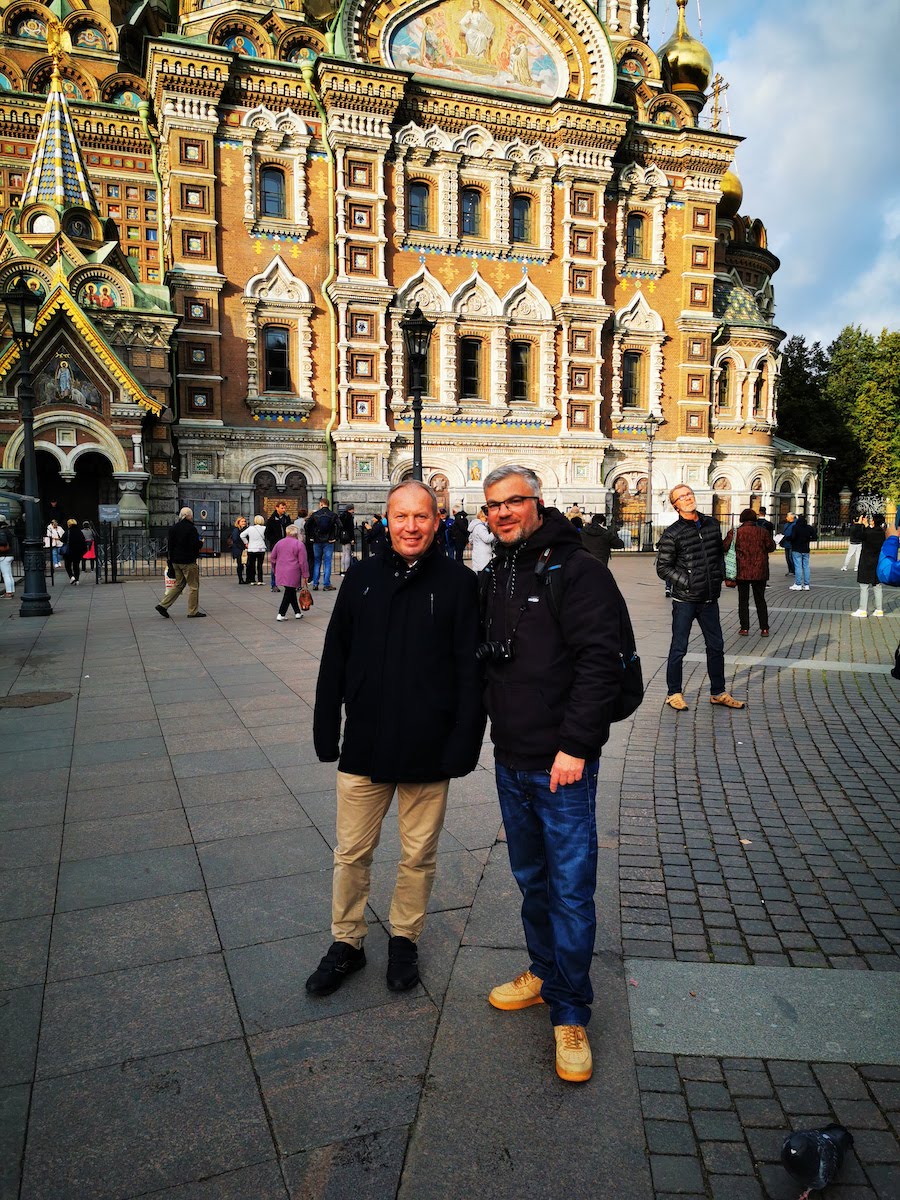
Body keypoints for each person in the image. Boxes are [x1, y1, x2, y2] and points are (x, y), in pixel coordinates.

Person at [479, 465, 627, 1084]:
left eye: (514, 502)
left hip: (561, 765)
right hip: (511, 760)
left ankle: (571, 1011)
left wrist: (576, 745)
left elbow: (601, 661)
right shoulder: (495, 574)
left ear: (538, 503)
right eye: (493, 506)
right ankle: (544, 972)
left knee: (569, 889)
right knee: (531, 878)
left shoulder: (580, 570)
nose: (504, 513)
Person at [308, 480, 485, 998]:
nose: (411, 526)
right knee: (351, 852)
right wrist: (327, 727)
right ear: (386, 520)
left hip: (429, 745)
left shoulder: (458, 582)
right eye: (401, 516)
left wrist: (464, 744)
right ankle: (347, 942)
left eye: (421, 517)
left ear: (437, 521)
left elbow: (469, 674)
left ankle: (404, 938)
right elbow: (335, 656)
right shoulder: (361, 577)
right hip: (364, 741)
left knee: (418, 855)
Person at [656, 485, 745, 712]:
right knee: (679, 648)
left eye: (689, 494)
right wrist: (688, 582)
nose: (687, 498)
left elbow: (717, 556)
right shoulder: (672, 533)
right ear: (676, 505)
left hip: (709, 599)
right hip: (685, 601)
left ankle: (718, 692)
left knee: (716, 646)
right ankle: (673, 693)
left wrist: (722, 576)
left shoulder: (711, 525)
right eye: (681, 497)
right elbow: (663, 568)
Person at [723, 509, 776, 635]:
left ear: (742, 518)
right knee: (760, 600)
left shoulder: (735, 532)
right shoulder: (762, 531)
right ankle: (764, 628)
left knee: (743, 600)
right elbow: (771, 547)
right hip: (760, 571)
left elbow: (724, 546)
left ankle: (744, 628)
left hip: (742, 571)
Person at [155, 507, 205, 617]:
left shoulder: (173, 528)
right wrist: (201, 543)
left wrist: (171, 560)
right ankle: (193, 611)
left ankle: (163, 605)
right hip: (188, 562)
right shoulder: (191, 529)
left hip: (175, 561)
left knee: (179, 584)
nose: (192, 517)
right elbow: (194, 545)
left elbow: (170, 546)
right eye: (191, 515)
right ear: (188, 516)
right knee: (193, 586)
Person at [270, 524, 310, 620]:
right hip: (293, 571)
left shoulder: (279, 543)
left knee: (290, 591)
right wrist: (305, 574)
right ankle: (281, 613)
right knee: (289, 592)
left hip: (280, 570)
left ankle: (297, 612)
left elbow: (272, 557)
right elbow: (303, 562)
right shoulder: (299, 544)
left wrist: (274, 569)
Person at [853, 515, 887, 617]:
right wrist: (867, 526)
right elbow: (870, 533)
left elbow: (857, 536)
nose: (870, 520)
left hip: (866, 561)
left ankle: (863, 609)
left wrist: (859, 524)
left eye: (872, 519)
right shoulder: (882, 533)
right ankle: (879, 609)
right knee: (877, 585)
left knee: (864, 585)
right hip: (878, 561)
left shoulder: (868, 532)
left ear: (874, 521)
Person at [306, 497, 340, 590]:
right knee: (327, 562)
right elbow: (340, 526)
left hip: (317, 541)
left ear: (321, 504)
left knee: (317, 562)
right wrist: (335, 537)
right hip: (329, 541)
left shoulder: (315, 514)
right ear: (328, 504)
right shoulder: (333, 514)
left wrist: (311, 537)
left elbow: (307, 525)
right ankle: (326, 584)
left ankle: (315, 583)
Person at [264, 501, 290, 592]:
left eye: (284, 508)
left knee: (288, 564)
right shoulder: (271, 520)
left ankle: (288, 583)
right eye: (282, 508)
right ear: (277, 508)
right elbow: (267, 534)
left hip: (287, 545)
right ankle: (274, 584)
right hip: (276, 545)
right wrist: (275, 540)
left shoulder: (286, 518)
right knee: (275, 565)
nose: (284, 510)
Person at [787, 514, 816, 590]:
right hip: (806, 549)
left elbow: (792, 537)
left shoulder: (795, 527)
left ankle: (798, 584)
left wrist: (787, 538)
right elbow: (815, 537)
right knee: (806, 566)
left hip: (796, 549)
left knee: (798, 566)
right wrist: (807, 539)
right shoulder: (809, 528)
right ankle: (806, 585)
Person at [241, 516, 267, 585]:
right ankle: (260, 580)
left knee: (252, 565)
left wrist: (246, 542)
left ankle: (252, 580)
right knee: (259, 565)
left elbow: (242, 535)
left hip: (251, 548)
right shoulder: (264, 528)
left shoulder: (250, 528)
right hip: (261, 548)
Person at [468, 506, 494, 572]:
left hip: (478, 554)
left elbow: (470, 540)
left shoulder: (475, 526)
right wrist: (494, 531)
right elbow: (487, 539)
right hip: (483, 556)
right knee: (484, 575)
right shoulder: (480, 527)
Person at [62, 519, 87, 585]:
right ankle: (77, 580)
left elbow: (63, 539)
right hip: (78, 552)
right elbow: (83, 542)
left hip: (69, 552)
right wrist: (84, 551)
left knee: (68, 565)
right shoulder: (79, 532)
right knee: (76, 566)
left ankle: (71, 576)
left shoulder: (68, 531)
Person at [0, 517, 15, 598]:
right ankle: (11, 591)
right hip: (9, 555)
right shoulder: (7, 530)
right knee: (9, 574)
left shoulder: (1, 531)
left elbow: (2, 542)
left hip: (4, 555)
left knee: (5, 575)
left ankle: (9, 592)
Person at [230, 516, 248, 583]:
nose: (244, 523)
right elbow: (235, 539)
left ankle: (247, 578)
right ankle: (240, 579)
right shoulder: (236, 530)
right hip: (238, 549)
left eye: (245, 521)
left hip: (244, 549)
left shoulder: (246, 529)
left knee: (247, 564)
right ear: (238, 522)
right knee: (240, 564)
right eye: (242, 521)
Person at [338, 504, 356, 572]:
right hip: (348, 536)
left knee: (344, 553)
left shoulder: (341, 516)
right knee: (348, 554)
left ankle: (342, 569)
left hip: (342, 536)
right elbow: (350, 529)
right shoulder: (349, 516)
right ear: (350, 509)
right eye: (353, 509)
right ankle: (346, 570)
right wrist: (352, 538)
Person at [780, 512, 796, 576]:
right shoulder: (786, 524)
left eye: (787, 516)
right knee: (787, 557)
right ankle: (790, 570)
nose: (786, 517)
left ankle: (794, 570)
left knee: (791, 557)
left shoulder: (795, 524)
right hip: (786, 543)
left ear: (791, 517)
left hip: (792, 543)